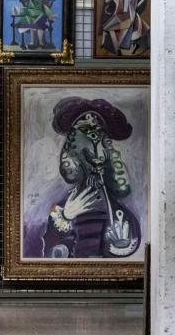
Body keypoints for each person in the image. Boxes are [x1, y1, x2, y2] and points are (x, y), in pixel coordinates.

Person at [41, 97, 141, 259]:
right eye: (86, 131)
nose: (94, 140)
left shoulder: (119, 209)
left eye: (98, 132)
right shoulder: (62, 208)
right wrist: (66, 218)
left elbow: (130, 249)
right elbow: (52, 255)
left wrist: (120, 246)